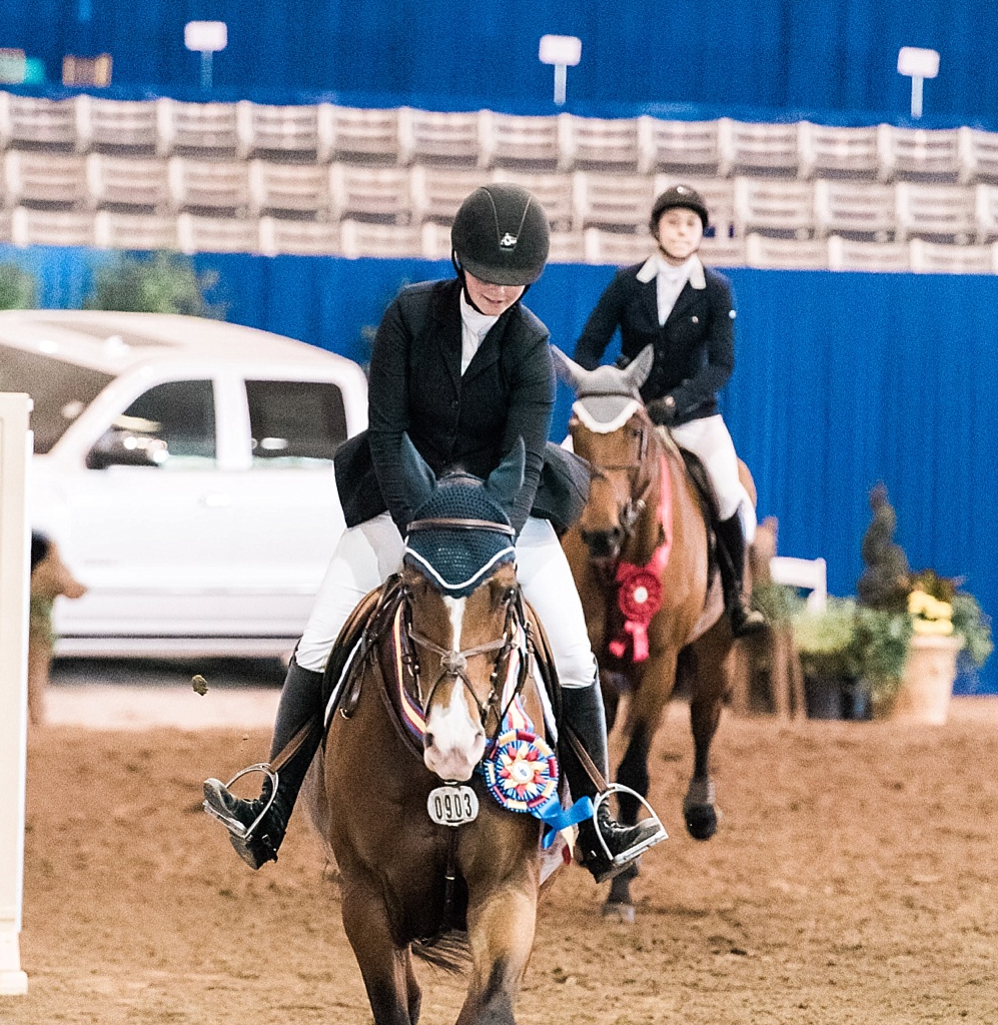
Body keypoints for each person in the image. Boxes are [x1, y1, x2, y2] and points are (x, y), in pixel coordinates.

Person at [205, 183, 664, 879]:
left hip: (501, 517)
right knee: (323, 633)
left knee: (571, 651)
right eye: (488, 276)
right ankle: (270, 803)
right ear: (458, 262)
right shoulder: (409, 316)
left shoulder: (531, 345)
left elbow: (521, 459)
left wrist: (483, 536)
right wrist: (422, 523)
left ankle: (598, 817)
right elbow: (386, 435)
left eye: (517, 281)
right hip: (404, 502)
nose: (500, 291)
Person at [573, 182, 757, 630]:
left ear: (701, 233)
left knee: (730, 494)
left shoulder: (716, 290)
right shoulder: (626, 282)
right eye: (672, 222)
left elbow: (722, 365)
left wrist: (675, 403)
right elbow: (588, 347)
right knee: (567, 474)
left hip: (693, 418)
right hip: (626, 417)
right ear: (656, 229)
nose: (681, 231)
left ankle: (737, 600)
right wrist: (610, 392)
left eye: (690, 224)